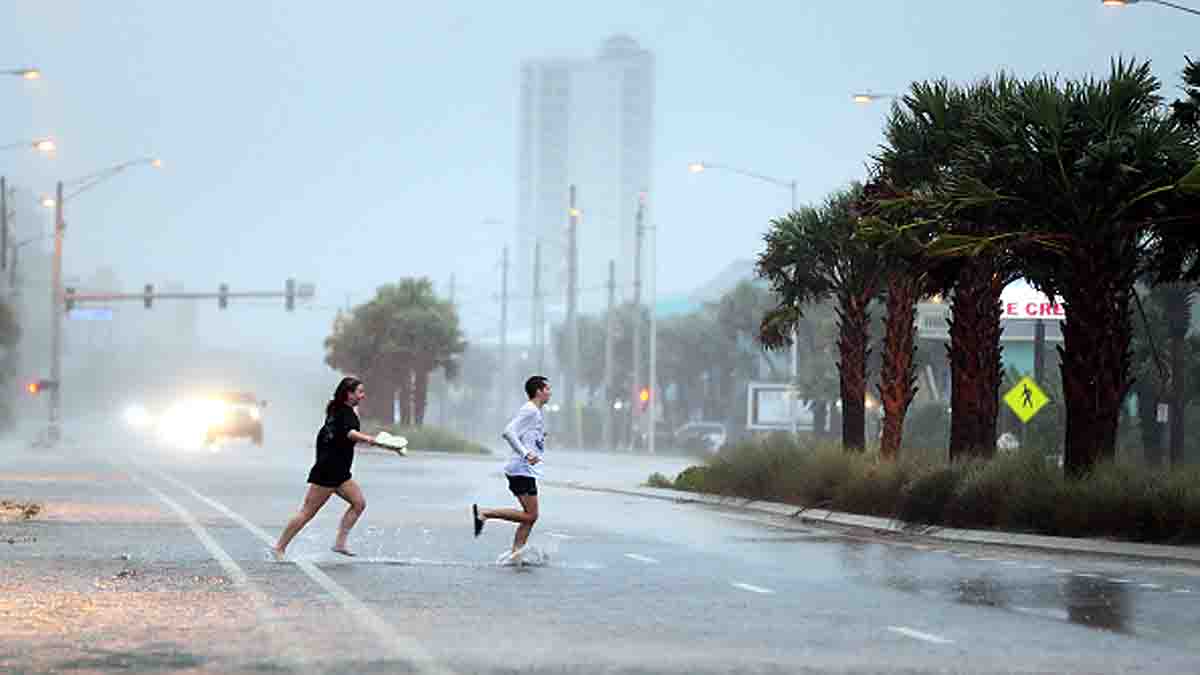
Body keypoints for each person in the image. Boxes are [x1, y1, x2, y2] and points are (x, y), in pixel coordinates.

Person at [272, 376, 395, 560]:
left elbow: (341, 436)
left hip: (340, 472)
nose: (363, 395)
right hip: (328, 471)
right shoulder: (344, 412)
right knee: (307, 512)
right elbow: (350, 433)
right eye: (359, 392)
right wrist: (373, 440)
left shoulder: (337, 409)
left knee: (359, 503)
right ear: (348, 394)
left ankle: (339, 543)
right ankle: (279, 548)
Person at [473, 375, 550, 559]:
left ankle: (516, 553)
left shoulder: (534, 412)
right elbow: (508, 432)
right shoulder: (530, 410)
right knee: (531, 516)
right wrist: (526, 454)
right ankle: (485, 513)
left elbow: (523, 435)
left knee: (530, 517)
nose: (550, 392)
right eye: (547, 389)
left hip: (525, 470)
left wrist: (538, 438)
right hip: (521, 470)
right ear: (538, 391)